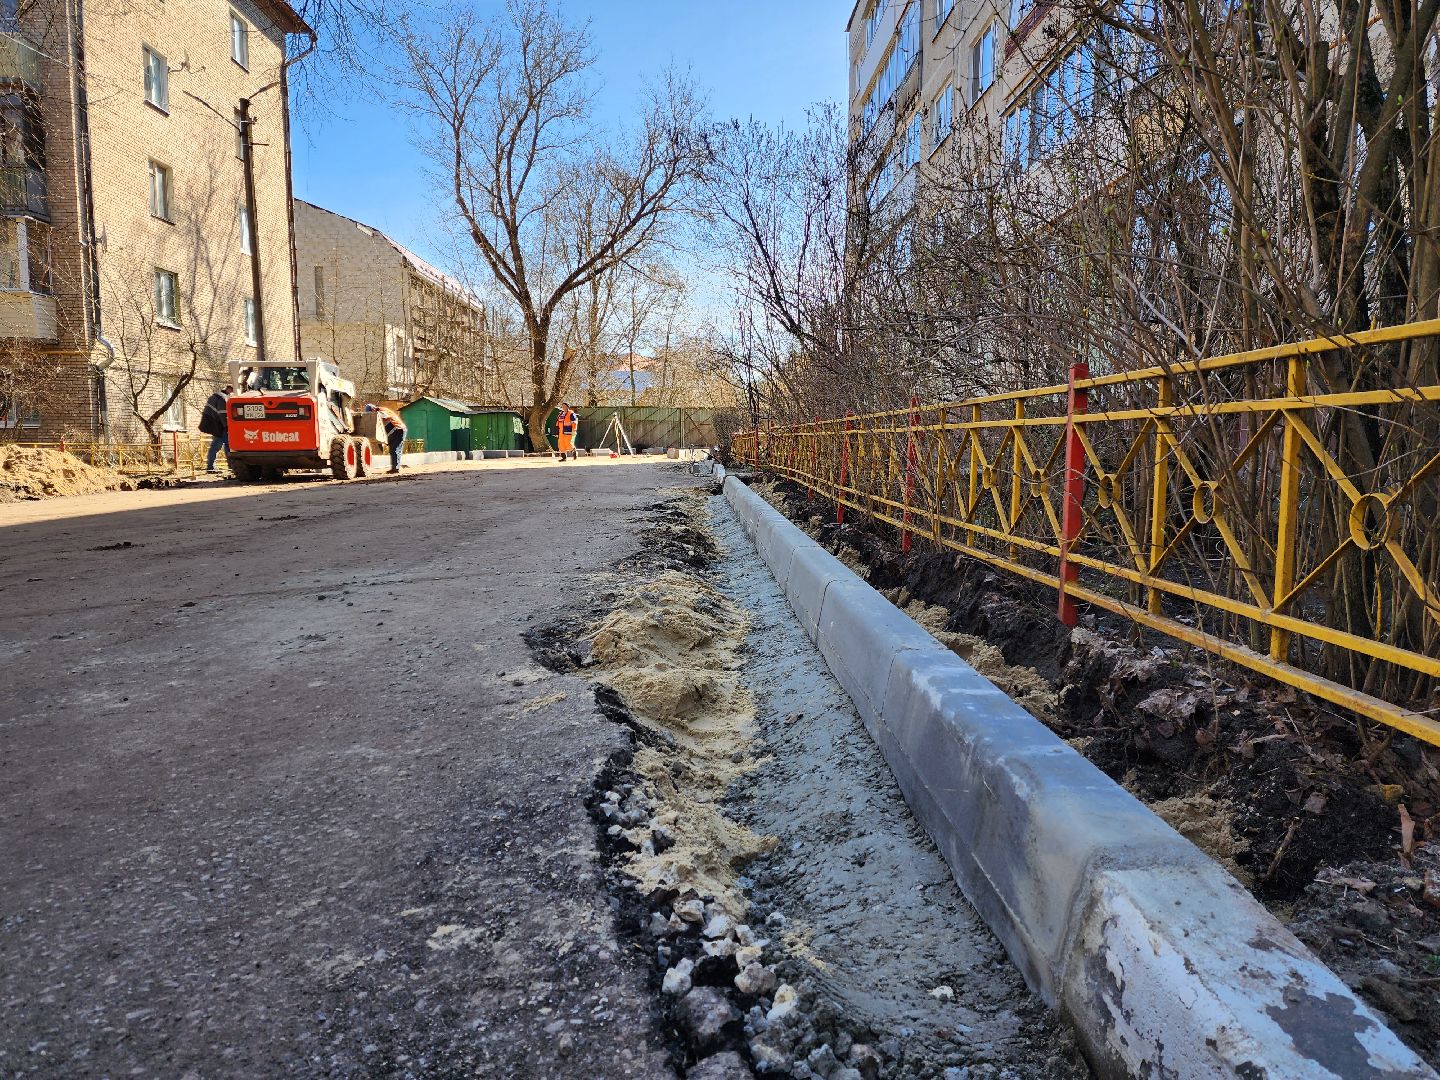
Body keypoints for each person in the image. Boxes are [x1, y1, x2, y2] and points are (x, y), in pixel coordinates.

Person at [199, 383, 233, 473]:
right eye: (232, 391)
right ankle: (230, 466)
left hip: (215, 424)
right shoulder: (223, 398)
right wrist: (226, 427)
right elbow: (223, 414)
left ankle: (210, 466)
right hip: (220, 426)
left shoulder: (216, 396)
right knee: (227, 445)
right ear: (229, 389)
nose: (232, 394)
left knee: (215, 446)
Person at [367, 404, 406, 474]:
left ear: (373, 409)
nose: (372, 415)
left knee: (394, 449)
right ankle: (395, 468)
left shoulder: (381, 411)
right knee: (393, 449)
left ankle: (395, 469)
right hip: (397, 428)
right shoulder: (382, 410)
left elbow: (384, 417)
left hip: (398, 428)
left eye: (371, 413)